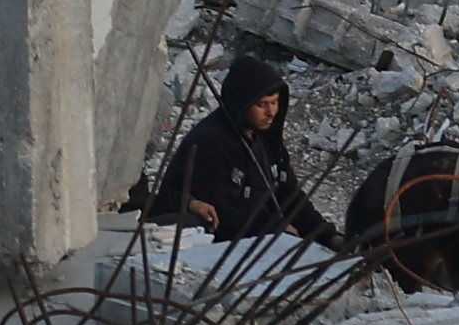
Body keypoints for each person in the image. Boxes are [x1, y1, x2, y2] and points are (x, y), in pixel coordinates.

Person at [141, 48, 343, 248]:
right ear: (243, 104)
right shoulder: (210, 143)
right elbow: (222, 215)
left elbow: (289, 196)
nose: (271, 112)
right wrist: (274, 228)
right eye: (262, 104)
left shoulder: (266, 140)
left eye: (275, 103)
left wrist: (328, 236)